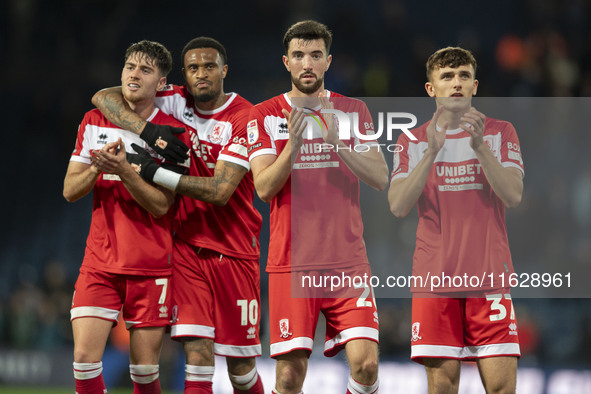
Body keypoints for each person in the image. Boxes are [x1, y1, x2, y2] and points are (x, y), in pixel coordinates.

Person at [92, 37, 264, 394]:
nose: (202, 74)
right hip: (186, 249)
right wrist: (147, 130)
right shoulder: (176, 98)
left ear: (224, 70)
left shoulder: (244, 117)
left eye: (210, 66)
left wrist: (155, 173)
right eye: (194, 68)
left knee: (241, 369)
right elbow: (103, 97)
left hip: (234, 251)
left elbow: (220, 191)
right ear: (184, 74)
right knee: (197, 353)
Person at [247, 20, 389, 394]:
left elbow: (380, 176)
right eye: (298, 55)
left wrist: (337, 141)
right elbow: (263, 187)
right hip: (292, 262)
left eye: (315, 55)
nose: (306, 63)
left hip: (347, 262)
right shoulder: (265, 115)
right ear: (286, 62)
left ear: (328, 61)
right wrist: (292, 146)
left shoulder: (352, 110)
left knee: (367, 366)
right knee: (290, 377)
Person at [388, 47, 524, 393]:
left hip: (489, 279)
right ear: (431, 89)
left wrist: (480, 147)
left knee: (501, 389)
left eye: (464, 76)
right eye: (447, 77)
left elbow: (513, 195)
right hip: (434, 281)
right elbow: (399, 205)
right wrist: (432, 151)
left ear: (475, 85)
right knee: (443, 387)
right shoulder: (412, 140)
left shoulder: (499, 133)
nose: (457, 83)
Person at [64, 40, 188, 394]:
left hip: (150, 265)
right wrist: (97, 168)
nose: (134, 74)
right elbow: (70, 190)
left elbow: (162, 206)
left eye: (145, 70)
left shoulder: (173, 135)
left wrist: (126, 170)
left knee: (144, 373)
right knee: (85, 361)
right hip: (100, 262)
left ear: (161, 83)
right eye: (130, 66)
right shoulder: (94, 121)